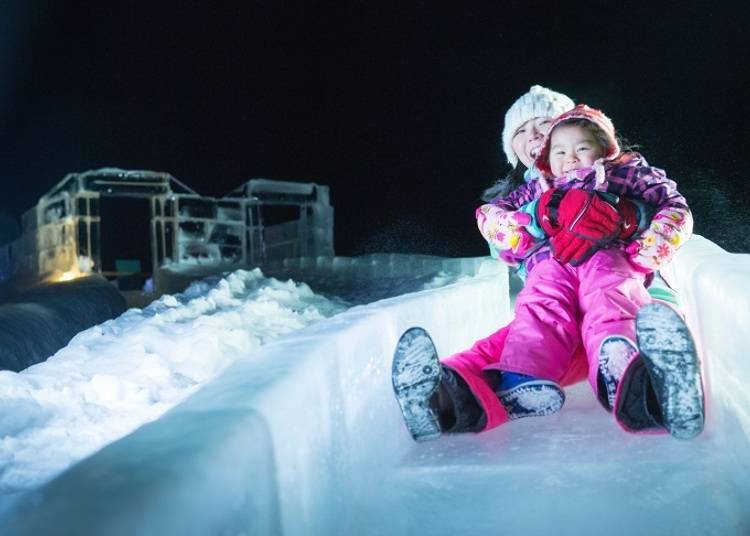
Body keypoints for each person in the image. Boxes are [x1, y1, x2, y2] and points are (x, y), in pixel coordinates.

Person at [393, 88, 703, 441]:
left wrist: (627, 217)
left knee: (614, 308)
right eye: (521, 132)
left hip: (635, 298)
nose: (533, 136)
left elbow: (669, 206)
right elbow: (500, 233)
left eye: (543, 124)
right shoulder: (530, 193)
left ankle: (648, 387)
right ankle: (446, 397)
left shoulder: (621, 175)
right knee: (522, 335)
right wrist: (539, 215)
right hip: (560, 311)